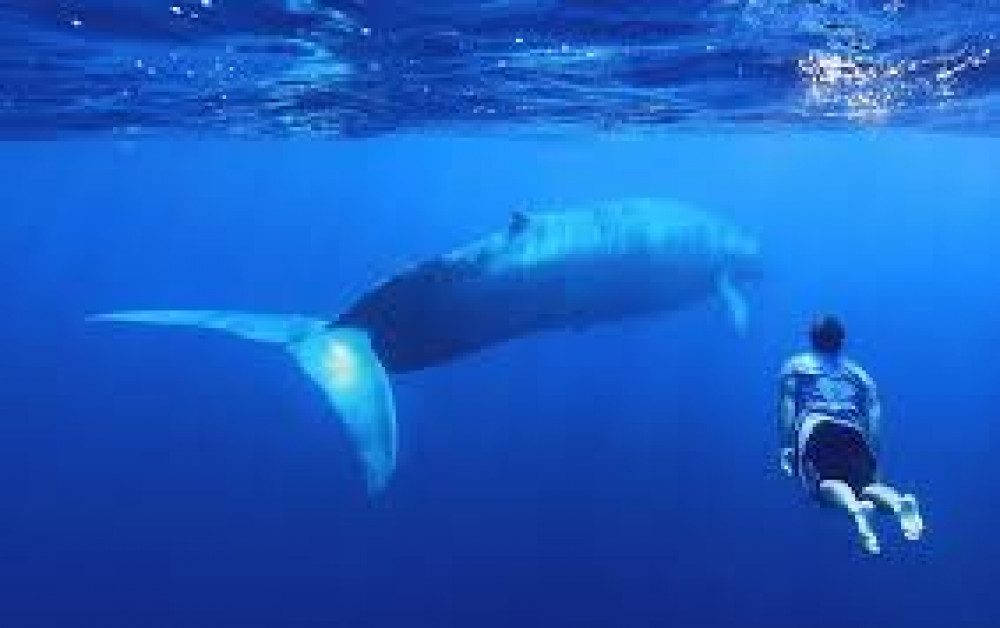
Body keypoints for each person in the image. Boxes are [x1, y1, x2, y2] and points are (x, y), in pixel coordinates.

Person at [778, 315, 924, 554]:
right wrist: (874, 453)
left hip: (817, 428)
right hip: (854, 431)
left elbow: (787, 405)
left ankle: (855, 509)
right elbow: (875, 416)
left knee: (824, 486)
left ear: (811, 339)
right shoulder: (860, 375)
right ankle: (898, 504)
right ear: (842, 341)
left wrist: (786, 446)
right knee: (868, 485)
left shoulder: (795, 366)